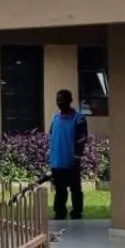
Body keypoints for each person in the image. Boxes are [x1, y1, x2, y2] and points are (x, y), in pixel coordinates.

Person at [48, 89, 89, 220]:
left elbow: (82, 139)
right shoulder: (55, 118)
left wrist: (77, 157)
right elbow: (52, 135)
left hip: (72, 161)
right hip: (57, 161)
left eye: (62, 100)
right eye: (57, 100)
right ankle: (59, 213)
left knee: (75, 189)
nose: (59, 103)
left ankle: (77, 212)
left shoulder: (79, 119)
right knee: (60, 190)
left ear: (70, 101)